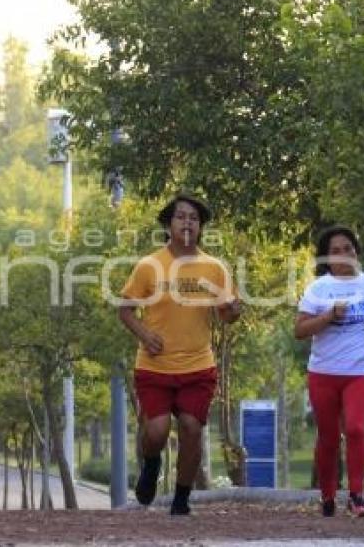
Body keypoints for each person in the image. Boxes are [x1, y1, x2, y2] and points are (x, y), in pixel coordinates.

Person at [119, 192, 241, 515]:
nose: (187, 222)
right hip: (155, 366)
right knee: (156, 432)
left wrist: (233, 310)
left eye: (194, 218)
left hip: (198, 367)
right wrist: (145, 334)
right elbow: (126, 309)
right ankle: (152, 463)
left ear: (200, 227)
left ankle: (181, 499)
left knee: (191, 427)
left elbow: (226, 315)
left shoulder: (214, 268)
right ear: (169, 224)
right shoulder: (149, 266)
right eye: (180, 216)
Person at [295, 226, 364, 518]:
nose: (344, 255)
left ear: (357, 252)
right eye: (335, 251)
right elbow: (300, 330)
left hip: (363, 371)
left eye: (348, 248)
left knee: (355, 428)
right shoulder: (318, 289)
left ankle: (356, 496)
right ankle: (327, 497)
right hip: (324, 372)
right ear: (326, 258)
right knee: (328, 436)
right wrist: (328, 316)